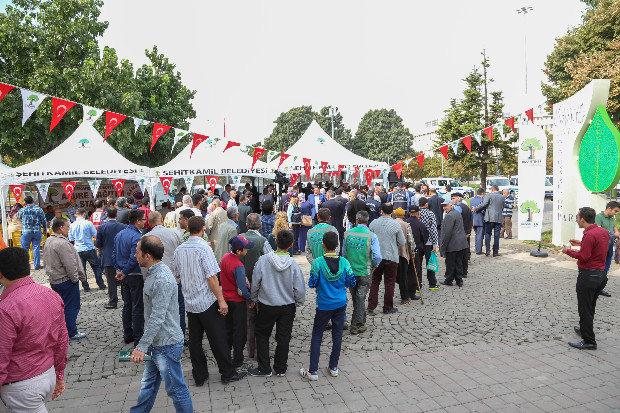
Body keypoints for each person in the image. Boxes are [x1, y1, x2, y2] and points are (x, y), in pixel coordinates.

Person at [172, 216, 246, 385]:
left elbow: (176, 273)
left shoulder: (179, 250)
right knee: (218, 338)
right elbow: (212, 277)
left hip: (190, 301)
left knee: (195, 342)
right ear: (203, 228)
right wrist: (221, 300)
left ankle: (200, 375)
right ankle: (227, 372)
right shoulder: (204, 249)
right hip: (206, 301)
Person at [129, 236, 193, 413]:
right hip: (157, 344)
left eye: (137, 252)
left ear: (147, 255)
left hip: (166, 345)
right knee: (148, 385)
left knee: (176, 390)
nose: (135, 255)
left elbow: (157, 317)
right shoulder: (154, 273)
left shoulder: (161, 279)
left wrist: (141, 347)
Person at [0, 248, 68, 411]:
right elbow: (62, 340)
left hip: (21, 385)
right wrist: (59, 374)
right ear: (29, 267)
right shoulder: (51, 295)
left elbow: (2, 355)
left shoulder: (6, 308)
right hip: (47, 374)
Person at [248, 229, 306, 378]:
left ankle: (264, 368)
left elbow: (255, 283)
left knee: (262, 334)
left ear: (276, 243)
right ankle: (280, 368)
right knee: (284, 336)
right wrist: (299, 301)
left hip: (267, 304)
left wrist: (253, 299)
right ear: (291, 245)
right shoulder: (293, 264)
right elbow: (299, 287)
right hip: (287, 306)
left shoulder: (263, 260)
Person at [300, 231, 355, 381]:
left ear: (323, 246)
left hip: (324, 304)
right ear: (337, 245)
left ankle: (313, 371)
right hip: (340, 303)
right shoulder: (345, 262)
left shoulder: (317, 262)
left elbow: (312, 283)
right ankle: (334, 367)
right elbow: (351, 282)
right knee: (337, 335)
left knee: (317, 335)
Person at [563, 207, 609, 350]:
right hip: (601, 275)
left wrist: (568, 251)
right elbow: (598, 247)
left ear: (583, 219)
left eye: (577, 217)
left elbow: (584, 257)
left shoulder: (589, 235)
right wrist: (581, 244)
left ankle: (589, 340)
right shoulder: (602, 231)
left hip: (588, 276)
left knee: (584, 308)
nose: (576, 220)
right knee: (590, 306)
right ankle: (584, 329)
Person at [44, 218, 87, 340]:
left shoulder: (49, 240)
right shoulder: (62, 243)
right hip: (65, 280)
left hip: (55, 279)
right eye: (67, 227)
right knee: (71, 306)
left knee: (61, 307)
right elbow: (70, 264)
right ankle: (71, 332)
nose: (69, 229)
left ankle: (63, 330)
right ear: (61, 228)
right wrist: (75, 279)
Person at [146, 211, 186, 340]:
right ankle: (180, 335)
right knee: (178, 308)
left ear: (149, 223)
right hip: (174, 277)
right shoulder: (174, 233)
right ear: (162, 220)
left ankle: (159, 336)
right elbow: (181, 254)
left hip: (155, 279)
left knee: (156, 309)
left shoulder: (146, 237)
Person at [343, 211, 381, 335]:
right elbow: (377, 256)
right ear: (367, 221)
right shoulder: (371, 236)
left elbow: (343, 254)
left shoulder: (347, 234)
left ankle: (360, 321)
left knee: (356, 297)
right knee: (360, 298)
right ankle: (356, 325)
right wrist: (374, 266)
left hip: (350, 271)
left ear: (357, 221)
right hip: (365, 271)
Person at [220, 235, 253, 372]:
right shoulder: (238, 265)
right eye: (245, 249)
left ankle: (227, 358)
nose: (247, 250)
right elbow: (241, 290)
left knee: (228, 331)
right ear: (238, 251)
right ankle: (238, 361)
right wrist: (250, 299)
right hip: (237, 302)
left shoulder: (225, 257)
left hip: (226, 299)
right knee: (239, 333)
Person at [239, 214, 269, 360]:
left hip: (241, 284)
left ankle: (250, 350)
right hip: (260, 285)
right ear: (260, 225)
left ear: (246, 225)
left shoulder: (239, 239)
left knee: (248, 319)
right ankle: (259, 352)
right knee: (260, 318)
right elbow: (270, 260)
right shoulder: (263, 241)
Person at [114, 209, 146, 345]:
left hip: (124, 274)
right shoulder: (136, 237)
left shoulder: (120, 234)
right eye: (144, 219)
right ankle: (138, 337)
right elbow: (135, 258)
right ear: (138, 221)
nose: (145, 222)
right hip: (133, 275)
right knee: (137, 306)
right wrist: (124, 271)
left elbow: (114, 254)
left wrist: (119, 270)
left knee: (127, 305)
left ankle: (128, 334)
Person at [368, 203, 406, 315]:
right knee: (390, 282)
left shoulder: (373, 223)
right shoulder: (395, 225)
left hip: (377, 257)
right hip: (391, 256)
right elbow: (402, 242)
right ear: (392, 212)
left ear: (381, 211)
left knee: (375, 281)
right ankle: (387, 307)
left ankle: (371, 305)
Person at [96, 207, 127, 309]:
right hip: (121, 257)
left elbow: (98, 243)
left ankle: (113, 301)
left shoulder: (101, 228)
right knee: (123, 280)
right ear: (116, 215)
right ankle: (126, 299)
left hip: (108, 258)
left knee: (111, 282)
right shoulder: (123, 226)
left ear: (107, 215)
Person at [69, 207, 106, 291]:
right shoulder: (88, 223)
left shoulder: (72, 225)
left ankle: (85, 287)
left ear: (76, 215)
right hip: (89, 248)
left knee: (82, 269)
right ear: (84, 214)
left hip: (78, 249)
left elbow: (71, 238)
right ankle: (101, 284)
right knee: (96, 267)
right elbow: (95, 234)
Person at [440, 199, 469, 287]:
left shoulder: (450, 215)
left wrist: (443, 246)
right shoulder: (456, 213)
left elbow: (447, 233)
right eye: (443, 206)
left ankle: (449, 280)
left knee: (450, 263)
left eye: (446, 206)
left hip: (453, 243)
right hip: (461, 242)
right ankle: (459, 280)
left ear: (451, 205)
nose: (444, 207)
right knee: (458, 262)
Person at [594, 201, 620, 298]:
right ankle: (594, 288)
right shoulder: (598, 217)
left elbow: (614, 228)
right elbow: (599, 231)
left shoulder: (610, 218)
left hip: (609, 246)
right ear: (609, 208)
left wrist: (617, 233)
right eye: (615, 211)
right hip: (601, 247)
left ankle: (600, 288)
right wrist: (614, 234)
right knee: (599, 268)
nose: (616, 214)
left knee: (606, 268)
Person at [473, 185, 504, 257]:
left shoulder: (489, 195)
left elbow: (484, 204)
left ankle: (487, 250)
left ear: (492, 189)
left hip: (489, 218)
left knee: (487, 234)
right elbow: (502, 207)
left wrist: (475, 208)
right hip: (498, 218)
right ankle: (495, 251)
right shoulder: (502, 197)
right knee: (496, 236)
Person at [17, 195, 47, 270]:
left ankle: (25, 266)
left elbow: (19, 217)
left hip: (26, 231)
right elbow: (43, 220)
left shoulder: (22, 210)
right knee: (36, 248)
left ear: (25, 202)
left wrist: (24, 207)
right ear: (33, 202)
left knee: (24, 249)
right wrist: (45, 229)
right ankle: (37, 265)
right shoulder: (39, 209)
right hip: (37, 231)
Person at [394, 207, 416, 304]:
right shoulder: (406, 225)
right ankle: (405, 297)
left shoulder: (391, 223)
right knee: (403, 276)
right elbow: (410, 241)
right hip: (402, 253)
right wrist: (412, 253)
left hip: (391, 253)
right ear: (403, 215)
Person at [405, 205, 429, 295]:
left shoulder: (405, 222)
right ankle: (413, 291)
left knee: (407, 270)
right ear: (418, 213)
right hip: (417, 250)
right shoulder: (421, 224)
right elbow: (425, 238)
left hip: (406, 250)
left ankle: (406, 289)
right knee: (415, 271)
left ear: (410, 213)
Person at [418, 198, 440, 290]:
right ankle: (432, 283)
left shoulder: (417, 214)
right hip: (429, 242)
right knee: (430, 263)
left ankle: (418, 284)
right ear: (426, 204)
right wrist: (435, 244)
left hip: (419, 242)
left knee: (418, 264)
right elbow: (433, 230)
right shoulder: (430, 214)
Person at [452, 192, 473, 277]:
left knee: (459, 254)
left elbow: (456, 221)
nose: (452, 200)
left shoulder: (458, 208)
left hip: (460, 234)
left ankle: (460, 272)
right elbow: (471, 220)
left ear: (459, 198)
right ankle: (465, 272)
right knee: (465, 252)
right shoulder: (466, 207)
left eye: (453, 198)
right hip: (466, 232)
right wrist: (469, 231)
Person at [470, 188, 486, 255]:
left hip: (474, 219)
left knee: (477, 235)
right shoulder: (482, 200)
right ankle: (478, 250)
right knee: (480, 235)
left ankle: (477, 248)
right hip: (480, 220)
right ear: (482, 193)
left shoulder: (472, 200)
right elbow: (483, 211)